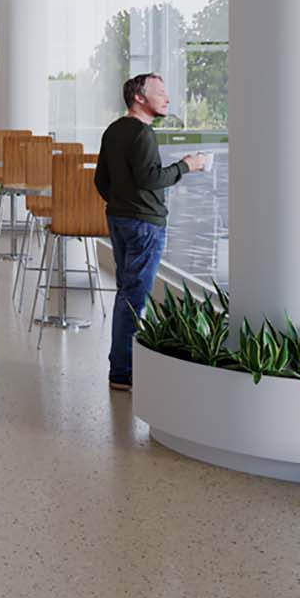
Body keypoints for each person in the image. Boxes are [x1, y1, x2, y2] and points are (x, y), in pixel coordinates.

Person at [97, 73, 209, 392]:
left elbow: (101, 181)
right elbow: (151, 179)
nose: (167, 98)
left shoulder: (114, 130)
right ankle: (122, 371)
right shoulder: (142, 134)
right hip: (144, 224)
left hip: (118, 219)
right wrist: (189, 165)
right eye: (160, 92)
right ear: (140, 98)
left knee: (126, 291)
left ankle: (120, 367)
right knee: (133, 296)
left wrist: (121, 202)